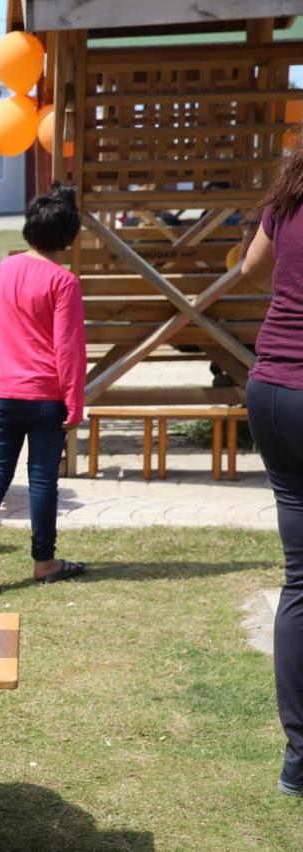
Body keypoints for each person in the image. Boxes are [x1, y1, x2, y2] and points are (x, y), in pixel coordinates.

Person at [0, 185, 86, 589]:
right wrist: (75, 403)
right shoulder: (64, 281)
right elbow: (68, 349)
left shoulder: (5, 269)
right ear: (68, 237)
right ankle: (44, 561)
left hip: (3, 393)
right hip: (46, 396)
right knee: (43, 479)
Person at [240, 146, 303, 798]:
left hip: (271, 391)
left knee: (300, 583)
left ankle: (297, 762)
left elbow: (250, 267)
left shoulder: (286, 201)